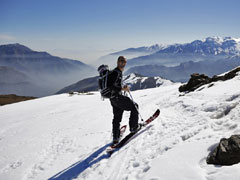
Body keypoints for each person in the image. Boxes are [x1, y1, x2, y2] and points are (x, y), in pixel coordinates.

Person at [107, 56, 139, 144]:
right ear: (117, 62)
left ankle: (116, 137)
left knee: (117, 118)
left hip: (113, 99)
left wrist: (122, 88)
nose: (123, 63)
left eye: (124, 62)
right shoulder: (116, 72)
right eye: (121, 61)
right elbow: (110, 86)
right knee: (134, 106)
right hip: (117, 98)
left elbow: (113, 85)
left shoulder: (116, 72)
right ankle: (133, 127)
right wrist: (122, 89)